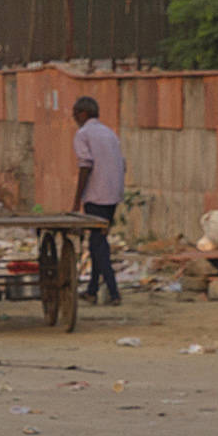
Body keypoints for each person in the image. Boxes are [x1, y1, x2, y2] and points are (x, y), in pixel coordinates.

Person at [71, 95, 125, 305]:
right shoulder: (109, 133)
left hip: (96, 195)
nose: (74, 118)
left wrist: (77, 200)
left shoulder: (83, 134)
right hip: (113, 195)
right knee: (97, 242)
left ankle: (113, 291)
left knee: (98, 243)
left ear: (83, 114)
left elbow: (86, 165)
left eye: (75, 114)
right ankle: (92, 290)